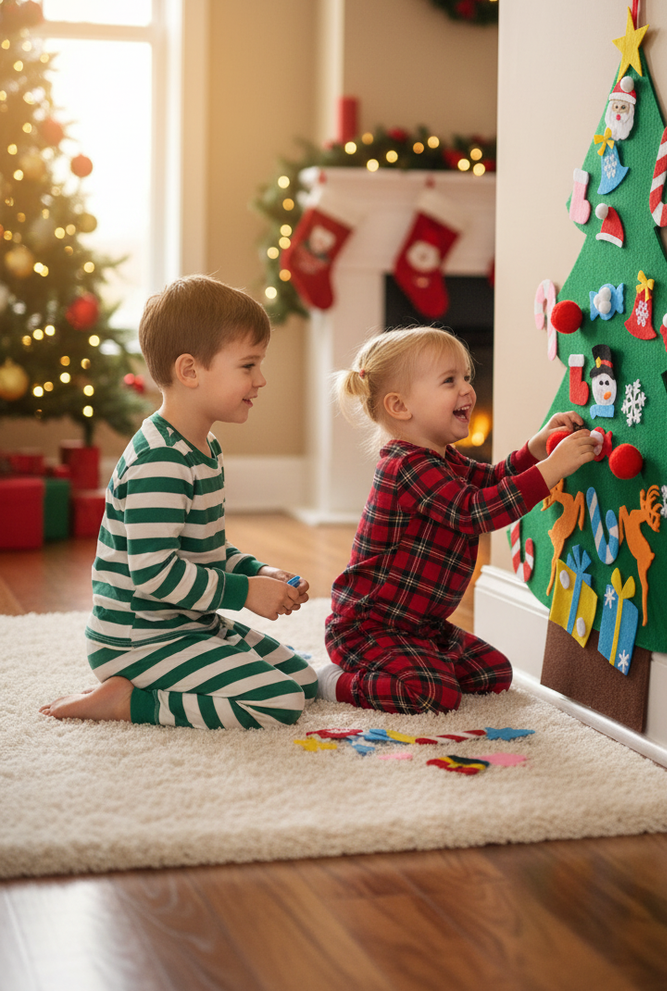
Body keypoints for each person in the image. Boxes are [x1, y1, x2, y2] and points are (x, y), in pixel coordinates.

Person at [40, 275, 317, 729]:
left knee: (304, 680)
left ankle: (170, 678)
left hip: (188, 623)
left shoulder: (204, 447)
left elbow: (201, 548)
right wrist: (245, 593)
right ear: (189, 371)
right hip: (139, 640)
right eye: (248, 365)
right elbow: (153, 573)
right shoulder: (161, 461)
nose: (261, 379)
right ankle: (127, 702)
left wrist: (256, 571)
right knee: (280, 702)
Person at [317, 326, 596, 713]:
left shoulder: (442, 459)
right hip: (368, 626)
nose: (467, 389)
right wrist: (552, 469)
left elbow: (492, 480)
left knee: (495, 673)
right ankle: (337, 683)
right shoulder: (405, 467)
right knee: (434, 694)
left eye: (466, 377)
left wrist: (535, 449)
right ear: (400, 406)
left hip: (420, 625)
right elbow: (475, 511)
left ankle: (418, 661)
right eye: (450, 380)